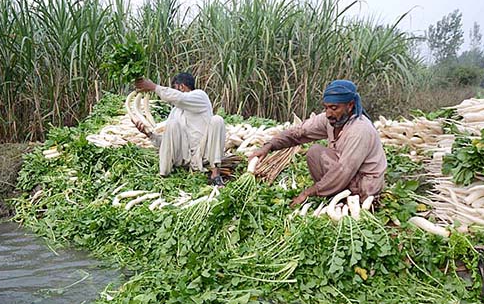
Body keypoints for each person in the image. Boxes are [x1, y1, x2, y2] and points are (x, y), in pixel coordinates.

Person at [249, 80, 387, 207]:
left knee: (324, 158)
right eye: (326, 108)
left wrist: (308, 192)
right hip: (347, 173)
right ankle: (334, 194)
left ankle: (349, 199)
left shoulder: (359, 130)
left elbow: (343, 171)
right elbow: (299, 133)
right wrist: (269, 146)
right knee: (315, 152)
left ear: (350, 105)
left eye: (334, 108)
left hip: (365, 185)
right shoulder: (330, 120)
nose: (328, 114)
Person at [134, 73, 226, 185]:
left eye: (174, 88)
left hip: (204, 154)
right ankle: (163, 174)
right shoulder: (176, 112)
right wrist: (149, 134)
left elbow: (180, 98)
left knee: (217, 120)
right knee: (172, 124)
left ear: (181, 87)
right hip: (185, 157)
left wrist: (154, 87)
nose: (173, 92)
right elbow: (167, 142)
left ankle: (215, 174)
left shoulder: (200, 96)